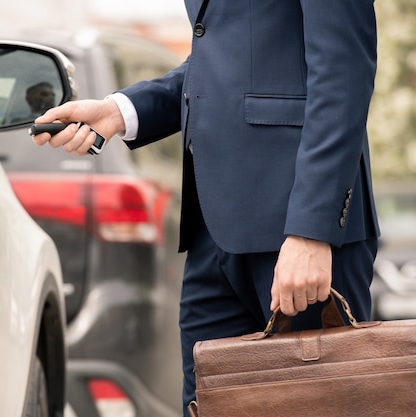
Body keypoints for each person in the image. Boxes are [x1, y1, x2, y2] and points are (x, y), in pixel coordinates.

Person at [33, 2, 380, 416]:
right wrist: (120, 111)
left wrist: (312, 229)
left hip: (296, 227)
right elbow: (220, 56)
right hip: (211, 233)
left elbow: (343, 74)